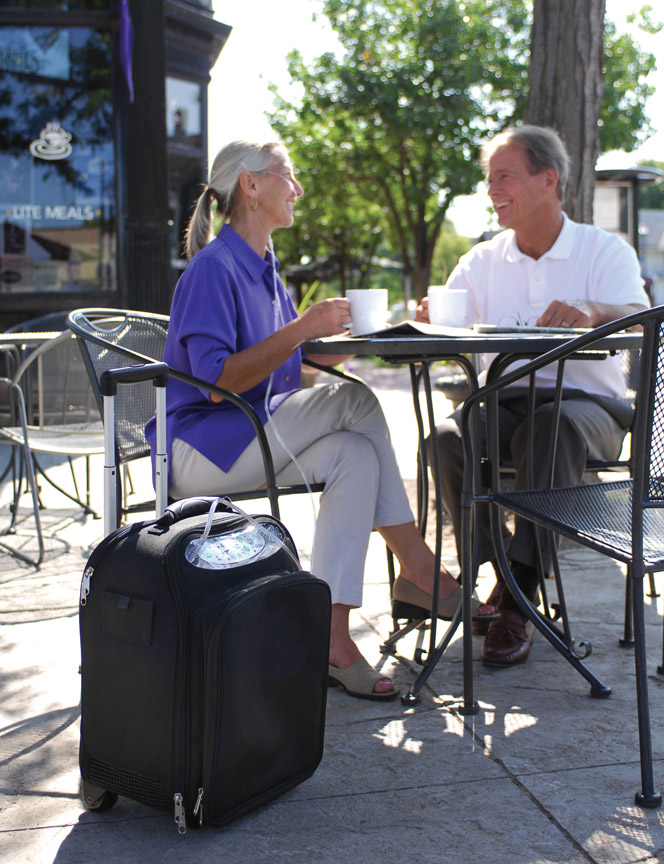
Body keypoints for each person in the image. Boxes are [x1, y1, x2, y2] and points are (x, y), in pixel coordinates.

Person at [146, 139, 495, 702]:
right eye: (288, 176)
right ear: (251, 186)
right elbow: (217, 383)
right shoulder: (214, 268)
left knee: (354, 455)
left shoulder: (264, 267)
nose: (299, 189)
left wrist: (365, 335)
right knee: (357, 402)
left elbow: (294, 359)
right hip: (201, 448)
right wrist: (304, 326)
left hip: (248, 434)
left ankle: (333, 639)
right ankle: (419, 566)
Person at [420, 125, 649, 668]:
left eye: (504, 176)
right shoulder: (481, 260)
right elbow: (447, 323)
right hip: (504, 403)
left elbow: (642, 319)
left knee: (548, 428)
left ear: (549, 180)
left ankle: (517, 596)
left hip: (590, 410)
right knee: (446, 437)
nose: (492, 188)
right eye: (490, 178)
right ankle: (498, 571)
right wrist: (433, 320)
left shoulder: (603, 251)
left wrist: (595, 311)